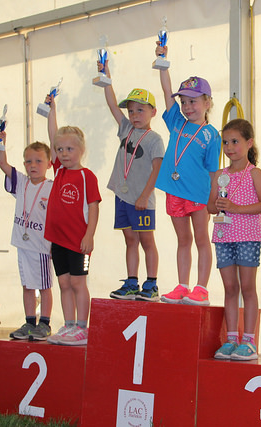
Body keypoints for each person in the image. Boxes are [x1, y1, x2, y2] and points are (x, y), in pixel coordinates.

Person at [154, 42, 221, 305]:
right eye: (183, 102)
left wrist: (213, 199)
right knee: (183, 239)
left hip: (199, 195)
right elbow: (166, 91)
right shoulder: (176, 123)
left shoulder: (211, 135)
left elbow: (214, 172)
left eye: (193, 101)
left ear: (207, 102)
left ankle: (201, 289)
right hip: (174, 192)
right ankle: (182, 286)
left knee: (202, 239)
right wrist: (162, 62)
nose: (187, 106)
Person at [98, 60, 165, 302]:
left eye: (140, 110)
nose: (135, 115)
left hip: (142, 200)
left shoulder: (155, 139)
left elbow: (157, 170)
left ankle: (152, 283)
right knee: (130, 240)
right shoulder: (126, 130)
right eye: (131, 111)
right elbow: (111, 105)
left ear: (153, 112)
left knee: (147, 240)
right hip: (123, 196)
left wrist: (145, 196)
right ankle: (132, 282)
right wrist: (106, 77)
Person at [207, 119, 261, 361]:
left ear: (249, 143)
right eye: (225, 142)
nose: (230, 147)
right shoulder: (220, 175)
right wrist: (219, 205)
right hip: (224, 237)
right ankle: (231, 338)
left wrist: (235, 208)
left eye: (235, 141)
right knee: (230, 288)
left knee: (248, 287)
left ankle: (249, 341)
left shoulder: (254, 173)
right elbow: (210, 207)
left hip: (248, 237)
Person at [44, 94, 101, 346]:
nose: (64, 154)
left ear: (81, 150)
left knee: (78, 282)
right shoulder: (58, 170)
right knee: (63, 282)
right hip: (58, 240)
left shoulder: (87, 176)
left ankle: (82, 328)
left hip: (78, 241)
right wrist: (51, 110)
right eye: (60, 150)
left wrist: (89, 235)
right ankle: (68, 325)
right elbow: (52, 134)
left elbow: (93, 207)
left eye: (70, 149)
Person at [0, 128, 54, 341]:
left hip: (41, 246)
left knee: (44, 285)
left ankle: (44, 323)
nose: (33, 165)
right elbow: (2, 163)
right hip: (22, 243)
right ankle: (29, 322)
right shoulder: (21, 182)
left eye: (38, 161)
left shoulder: (52, 187)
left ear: (49, 164)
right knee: (27, 284)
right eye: (28, 161)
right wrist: (1, 143)